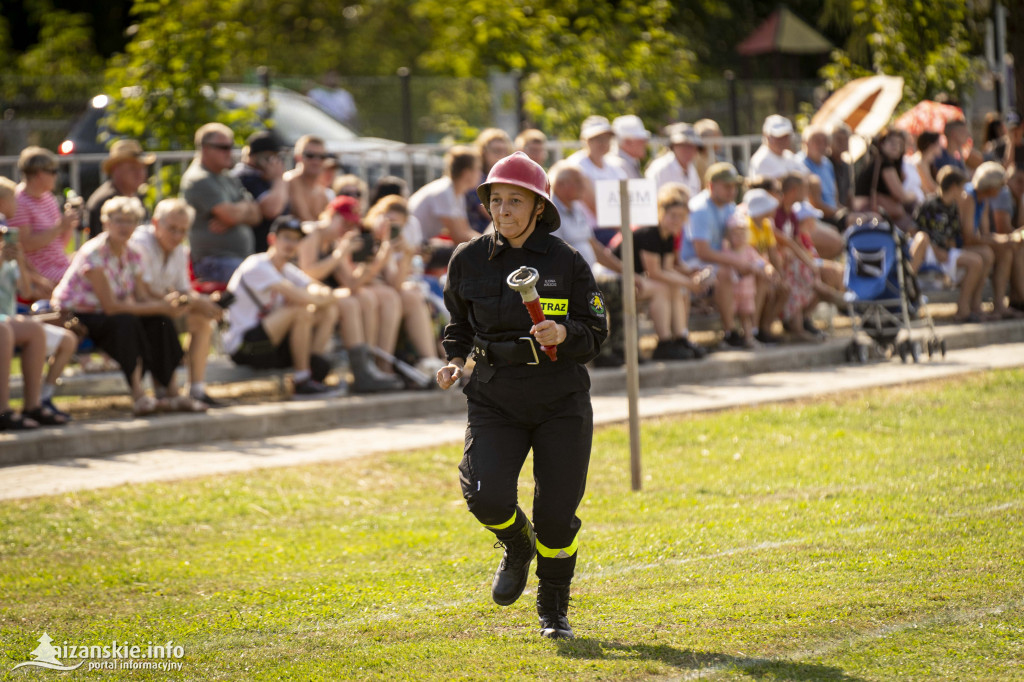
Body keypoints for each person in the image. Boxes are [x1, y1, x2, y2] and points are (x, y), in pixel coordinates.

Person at [436, 152, 607, 640]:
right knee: (487, 497)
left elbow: (596, 330)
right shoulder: (466, 258)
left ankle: (553, 610)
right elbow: (459, 324)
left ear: (538, 207)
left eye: (516, 201)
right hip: (495, 395)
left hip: (560, 400)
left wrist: (566, 335)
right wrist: (454, 359)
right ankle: (516, 543)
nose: (504, 210)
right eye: (496, 200)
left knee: (556, 518)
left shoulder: (568, 261)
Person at [52, 197, 206, 415]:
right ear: (106, 223)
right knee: (127, 323)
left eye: (130, 220)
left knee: (159, 321)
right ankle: (138, 395)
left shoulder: (133, 253)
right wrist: (161, 306)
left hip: (111, 312)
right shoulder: (94, 252)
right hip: (78, 315)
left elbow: (142, 295)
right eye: (119, 220)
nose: (124, 226)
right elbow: (111, 307)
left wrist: (168, 305)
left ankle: (172, 393)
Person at [295, 198, 405, 392]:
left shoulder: (334, 242)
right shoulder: (311, 233)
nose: (347, 229)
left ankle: (367, 366)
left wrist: (373, 259)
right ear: (331, 215)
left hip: (324, 296)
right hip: (302, 298)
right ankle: (362, 371)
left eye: (352, 224)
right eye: (344, 222)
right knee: (350, 303)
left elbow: (352, 284)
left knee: (365, 297)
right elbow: (307, 274)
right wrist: (340, 253)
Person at [224, 215, 341, 397]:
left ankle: (315, 372)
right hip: (245, 348)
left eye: (296, 239)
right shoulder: (257, 265)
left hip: (273, 345)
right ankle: (302, 381)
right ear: (272, 239)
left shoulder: (287, 270)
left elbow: (321, 291)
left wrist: (318, 297)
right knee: (300, 310)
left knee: (328, 311)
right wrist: (316, 298)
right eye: (286, 237)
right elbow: (301, 296)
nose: (291, 243)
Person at [130, 198, 226, 406]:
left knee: (202, 317)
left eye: (182, 230)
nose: (177, 235)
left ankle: (196, 389)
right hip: (138, 311)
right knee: (163, 320)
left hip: (163, 309)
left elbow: (184, 289)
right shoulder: (139, 244)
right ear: (155, 223)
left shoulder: (180, 251)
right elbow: (142, 292)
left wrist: (202, 303)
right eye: (172, 228)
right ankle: (167, 391)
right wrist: (184, 301)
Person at [1, 185, 75, 426]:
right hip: (4, 323)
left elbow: (24, 290)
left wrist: (19, 260)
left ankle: (33, 406)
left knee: (33, 330)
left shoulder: (8, 247)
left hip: (7, 318)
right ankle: (3, 410)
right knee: (4, 331)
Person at [612, 183, 710, 360]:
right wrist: (689, 283)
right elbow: (655, 272)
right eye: (672, 216)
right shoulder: (650, 232)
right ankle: (664, 343)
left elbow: (668, 268)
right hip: (616, 276)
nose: (676, 221)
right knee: (662, 288)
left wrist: (690, 279)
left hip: (637, 278)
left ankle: (680, 337)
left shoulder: (669, 235)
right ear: (661, 213)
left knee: (674, 287)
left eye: (681, 217)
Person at [547, 161, 625, 366]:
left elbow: (595, 246)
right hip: (570, 277)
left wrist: (624, 269)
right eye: (580, 182)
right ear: (564, 185)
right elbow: (556, 254)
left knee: (624, 283)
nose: (585, 187)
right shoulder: (550, 212)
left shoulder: (577, 208)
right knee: (611, 289)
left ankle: (620, 348)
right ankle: (600, 351)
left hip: (591, 272)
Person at [679, 162, 754, 348]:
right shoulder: (700, 209)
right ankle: (730, 332)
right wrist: (736, 261)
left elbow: (735, 240)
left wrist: (747, 262)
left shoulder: (729, 206)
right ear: (711, 186)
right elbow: (702, 251)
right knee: (725, 273)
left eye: (734, 186)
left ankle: (757, 331)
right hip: (690, 265)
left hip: (714, 261)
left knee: (755, 271)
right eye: (727, 186)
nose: (732, 191)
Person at [180, 122, 261, 284]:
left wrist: (237, 214)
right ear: (205, 148)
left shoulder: (227, 176)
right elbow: (230, 216)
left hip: (238, 259)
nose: (229, 152)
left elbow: (257, 214)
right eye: (223, 147)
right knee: (264, 282)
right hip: (213, 263)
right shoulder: (199, 179)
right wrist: (241, 212)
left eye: (231, 146)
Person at [913, 166, 989, 322]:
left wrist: (949, 249)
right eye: (961, 188)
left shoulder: (954, 208)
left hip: (945, 252)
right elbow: (916, 231)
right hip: (928, 252)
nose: (964, 192)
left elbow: (953, 236)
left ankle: (963, 310)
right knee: (923, 239)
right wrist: (935, 250)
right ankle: (908, 289)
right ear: (954, 187)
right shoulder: (930, 203)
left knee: (976, 262)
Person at [9, 146, 80, 298]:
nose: (56, 176)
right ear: (40, 174)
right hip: (40, 271)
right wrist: (60, 227)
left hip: (59, 265)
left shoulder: (48, 198)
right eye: (53, 171)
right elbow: (24, 244)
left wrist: (67, 226)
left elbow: (60, 245)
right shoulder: (19, 202)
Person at [959, 162, 1021, 319]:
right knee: (987, 253)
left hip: (972, 244)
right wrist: (1003, 240)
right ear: (991, 185)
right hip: (958, 246)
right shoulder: (968, 197)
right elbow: (968, 237)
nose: (1001, 190)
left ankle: (999, 305)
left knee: (1006, 252)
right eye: (1000, 186)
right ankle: (973, 305)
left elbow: (985, 234)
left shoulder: (983, 200)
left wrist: (1007, 239)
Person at [739, 187, 788, 344]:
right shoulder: (747, 225)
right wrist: (770, 269)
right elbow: (752, 255)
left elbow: (772, 253)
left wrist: (780, 275)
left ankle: (765, 328)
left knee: (784, 289)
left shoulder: (766, 225)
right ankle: (754, 329)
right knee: (765, 284)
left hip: (762, 269)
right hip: (748, 270)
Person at [231, 130, 288, 253]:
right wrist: (279, 179)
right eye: (271, 157)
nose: (277, 162)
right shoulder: (245, 176)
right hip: (256, 250)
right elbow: (271, 210)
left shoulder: (267, 177)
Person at [854, 128, 920, 232]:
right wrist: (914, 196)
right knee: (913, 227)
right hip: (870, 212)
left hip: (869, 210)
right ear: (882, 144)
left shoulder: (878, 161)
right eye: (892, 143)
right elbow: (901, 195)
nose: (896, 147)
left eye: (899, 144)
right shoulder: (884, 164)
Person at [85, 139, 155, 236]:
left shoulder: (136, 196)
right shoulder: (106, 201)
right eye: (133, 168)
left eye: (142, 168)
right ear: (115, 169)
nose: (140, 173)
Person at [723, 209, 771, 348]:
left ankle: (749, 337)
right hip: (732, 291)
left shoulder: (749, 250)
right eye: (735, 234)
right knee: (730, 313)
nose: (739, 237)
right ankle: (729, 335)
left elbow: (760, 262)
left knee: (745, 315)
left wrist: (761, 268)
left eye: (742, 234)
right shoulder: (726, 252)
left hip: (747, 291)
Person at [990, 165, 1024, 310]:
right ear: (1008, 180)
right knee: (1016, 249)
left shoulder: (1016, 197)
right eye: (1019, 181)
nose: (1022, 186)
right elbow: (1003, 229)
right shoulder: (1004, 193)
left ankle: (1017, 300)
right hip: (991, 240)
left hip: (999, 240)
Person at [466, 128, 513, 233]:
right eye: (496, 150)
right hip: (479, 237)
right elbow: (490, 212)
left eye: (505, 150)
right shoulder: (476, 178)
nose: (501, 155)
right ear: (483, 152)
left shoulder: (509, 178)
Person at [645, 122, 702, 197]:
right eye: (683, 146)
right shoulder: (660, 168)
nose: (688, 150)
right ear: (673, 146)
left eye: (692, 147)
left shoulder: (691, 168)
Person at [285, 135, 331, 222]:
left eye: (322, 157)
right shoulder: (289, 181)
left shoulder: (322, 193)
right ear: (298, 157)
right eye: (310, 155)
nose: (316, 161)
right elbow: (304, 219)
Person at [797, 124, 839, 220]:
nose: (822, 146)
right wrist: (838, 214)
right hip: (814, 217)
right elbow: (814, 203)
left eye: (825, 142)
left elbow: (835, 197)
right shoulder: (799, 163)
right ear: (806, 143)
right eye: (817, 142)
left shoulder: (828, 164)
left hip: (832, 212)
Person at [748, 115, 806, 180]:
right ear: (767, 136)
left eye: (785, 136)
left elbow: (807, 177)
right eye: (778, 137)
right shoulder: (761, 160)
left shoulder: (789, 156)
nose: (782, 140)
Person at [606, 115, 650, 179]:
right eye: (641, 140)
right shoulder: (618, 166)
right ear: (627, 142)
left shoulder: (628, 163)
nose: (645, 143)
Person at [828, 122, 854, 210]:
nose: (842, 143)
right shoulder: (825, 163)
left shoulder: (845, 166)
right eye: (839, 139)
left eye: (845, 140)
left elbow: (848, 194)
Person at [910, 131, 943, 201]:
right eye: (938, 143)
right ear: (931, 145)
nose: (941, 146)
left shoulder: (929, 162)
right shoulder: (919, 163)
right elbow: (931, 187)